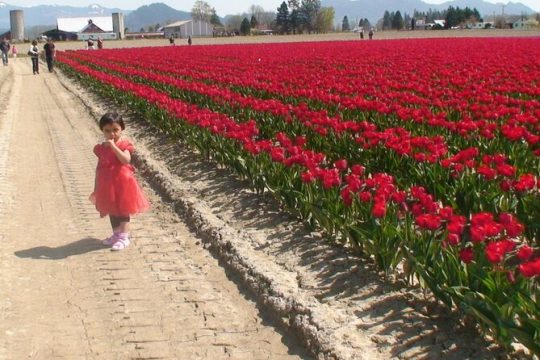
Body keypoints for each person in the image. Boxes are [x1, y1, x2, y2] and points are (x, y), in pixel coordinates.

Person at [89, 112, 149, 251]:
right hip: (107, 183)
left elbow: (125, 160)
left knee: (123, 210)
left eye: (115, 130)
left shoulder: (124, 145)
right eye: (107, 130)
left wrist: (114, 147)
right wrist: (97, 184)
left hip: (123, 183)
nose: (112, 134)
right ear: (102, 131)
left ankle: (124, 236)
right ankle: (116, 234)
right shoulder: (101, 148)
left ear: (122, 129)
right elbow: (100, 166)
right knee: (111, 209)